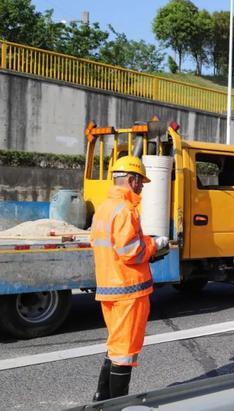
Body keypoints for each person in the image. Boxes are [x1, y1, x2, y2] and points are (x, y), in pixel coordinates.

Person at [90, 156, 168, 401]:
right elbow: (129, 252)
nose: (143, 187)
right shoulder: (125, 210)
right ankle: (117, 404)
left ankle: (101, 399)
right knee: (125, 352)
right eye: (141, 182)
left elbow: (115, 248)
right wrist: (155, 245)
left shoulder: (104, 208)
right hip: (128, 291)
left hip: (110, 289)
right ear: (132, 180)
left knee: (116, 346)